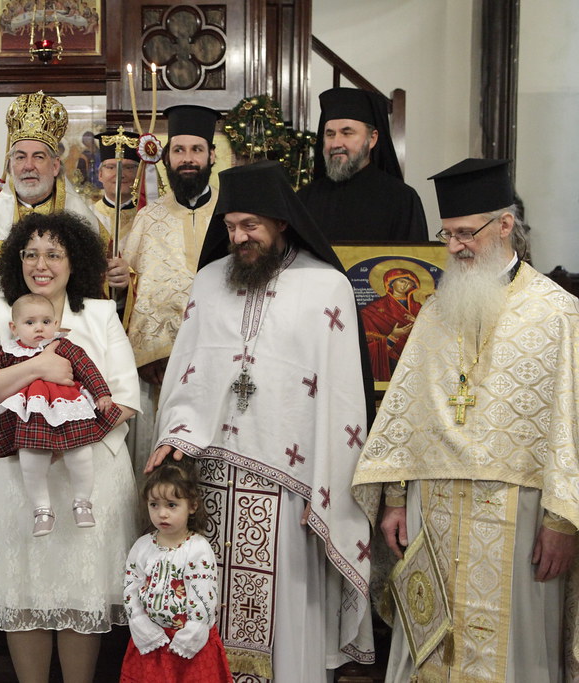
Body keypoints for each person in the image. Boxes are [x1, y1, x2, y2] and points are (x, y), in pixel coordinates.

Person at [147, 161, 376, 680]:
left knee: (283, 618)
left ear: (281, 221)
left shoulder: (326, 288)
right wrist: (177, 433)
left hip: (290, 486)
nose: (238, 237)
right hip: (211, 481)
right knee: (207, 606)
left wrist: (327, 490)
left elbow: (341, 398)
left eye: (250, 225)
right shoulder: (208, 282)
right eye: (229, 226)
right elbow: (189, 369)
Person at [353, 158, 579, 682]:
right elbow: (406, 409)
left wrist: (563, 522)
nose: (453, 247)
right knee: (430, 648)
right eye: (447, 234)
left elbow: (570, 428)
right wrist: (392, 499)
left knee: (514, 652)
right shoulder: (436, 309)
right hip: (432, 511)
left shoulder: (557, 313)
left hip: (519, 519)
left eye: (465, 233)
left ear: (505, 226)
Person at [0, 211, 141, 683]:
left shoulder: (99, 314)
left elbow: (124, 399)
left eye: (54, 253)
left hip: (89, 472)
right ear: (17, 258)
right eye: (31, 253)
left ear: (73, 260)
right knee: (25, 589)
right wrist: (38, 366)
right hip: (18, 472)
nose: (42, 263)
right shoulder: (1, 314)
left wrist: (68, 437)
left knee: (82, 587)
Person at [0, 92, 127, 382]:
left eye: (39, 157)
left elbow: (108, 290)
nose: (28, 166)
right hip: (3, 365)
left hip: (71, 366)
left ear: (56, 166)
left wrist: (122, 285)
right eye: (20, 157)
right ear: (10, 166)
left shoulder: (89, 224)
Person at [0, 291, 117, 536]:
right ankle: (42, 509)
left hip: (68, 409)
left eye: (46, 322)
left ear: (56, 324)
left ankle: (82, 502)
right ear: (14, 327)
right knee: (31, 459)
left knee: (81, 453)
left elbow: (86, 367)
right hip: (32, 418)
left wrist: (102, 393)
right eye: (30, 323)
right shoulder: (7, 352)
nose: (39, 328)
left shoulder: (63, 346)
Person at [120, 104, 220, 466]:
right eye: (179, 150)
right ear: (167, 157)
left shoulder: (231, 215)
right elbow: (129, 289)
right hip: (156, 371)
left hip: (218, 364)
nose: (187, 159)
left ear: (212, 155)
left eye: (196, 150)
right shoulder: (148, 218)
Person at [120, 461, 231, 682]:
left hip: (188, 648)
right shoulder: (142, 546)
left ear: (192, 506)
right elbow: (131, 588)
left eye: (171, 505)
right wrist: (141, 624)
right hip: (152, 644)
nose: (162, 514)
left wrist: (193, 633)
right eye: (154, 505)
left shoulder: (198, 548)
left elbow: (204, 597)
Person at [297, 86, 427, 242]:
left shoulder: (402, 200)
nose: (336, 143)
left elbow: (412, 263)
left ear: (372, 139)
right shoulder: (305, 200)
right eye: (330, 134)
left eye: (347, 133)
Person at [360, 267, 424, 381]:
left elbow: (435, 335)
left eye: (409, 283)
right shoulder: (373, 310)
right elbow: (366, 346)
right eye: (402, 281)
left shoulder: (419, 308)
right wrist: (393, 336)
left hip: (418, 361)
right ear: (391, 283)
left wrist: (419, 323)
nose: (405, 286)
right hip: (390, 362)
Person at [90, 128, 141, 254]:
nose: (120, 174)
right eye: (111, 167)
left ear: (139, 174)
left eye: (129, 167)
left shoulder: (146, 217)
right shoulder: (88, 215)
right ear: (100, 174)